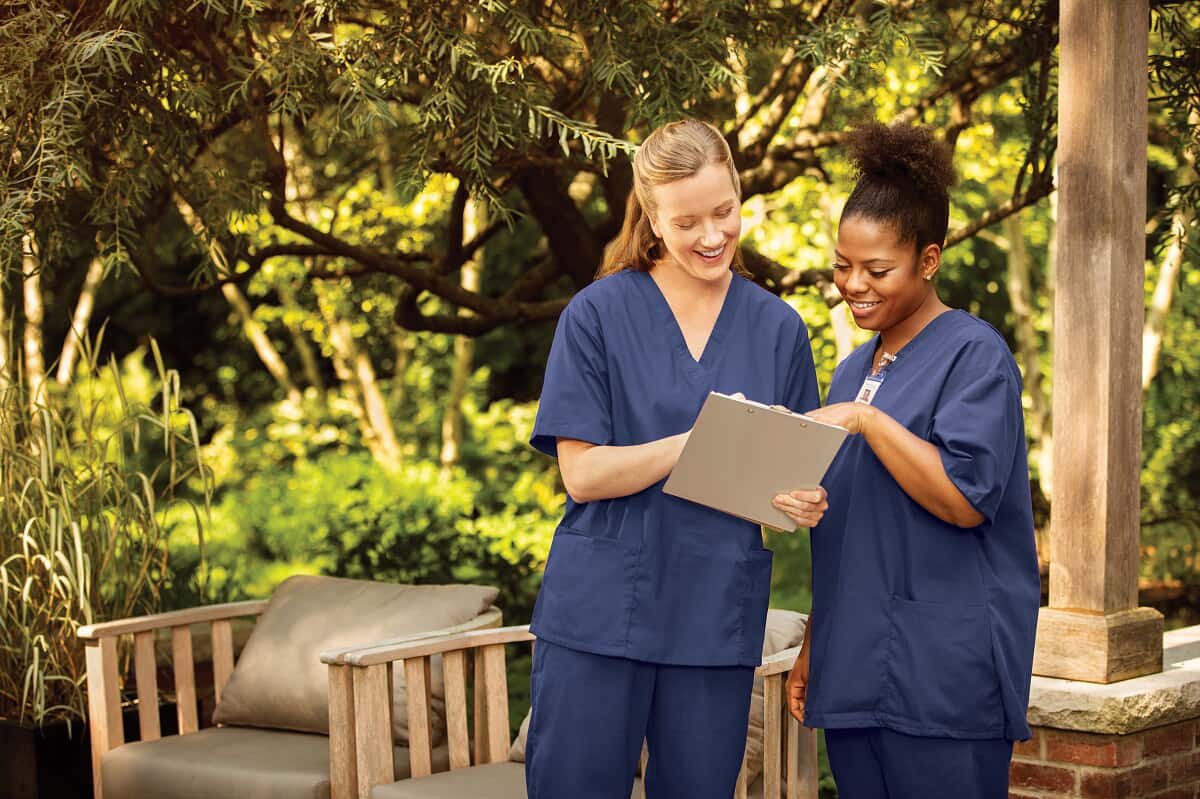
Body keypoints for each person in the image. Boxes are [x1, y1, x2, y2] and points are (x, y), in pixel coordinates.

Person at [524, 119, 827, 799]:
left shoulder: (779, 328)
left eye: (725, 211)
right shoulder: (596, 314)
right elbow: (582, 474)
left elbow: (786, 491)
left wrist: (800, 503)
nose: (713, 235)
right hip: (600, 616)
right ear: (651, 218)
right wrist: (689, 446)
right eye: (688, 221)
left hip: (713, 619)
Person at [779, 121, 1041, 799]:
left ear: (929, 259)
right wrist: (815, 644)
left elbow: (963, 497)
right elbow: (845, 532)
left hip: (942, 680)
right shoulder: (849, 372)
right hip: (855, 669)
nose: (853, 285)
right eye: (842, 265)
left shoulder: (976, 357)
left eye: (877, 269)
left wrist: (869, 421)